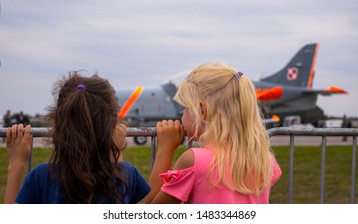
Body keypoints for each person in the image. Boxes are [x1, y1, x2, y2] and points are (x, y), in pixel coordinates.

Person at [145, 62, 282, 204]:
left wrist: (165, 149)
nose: (182, 116)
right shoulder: (265, 160)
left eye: (185, 108)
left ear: (202, 111)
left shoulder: (194, 160)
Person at [5, 72, 150, 204]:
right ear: (113, 125)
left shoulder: (40, 177)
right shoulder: (127, 175)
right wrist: (114, 152)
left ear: (56, 123)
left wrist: (16, 164)